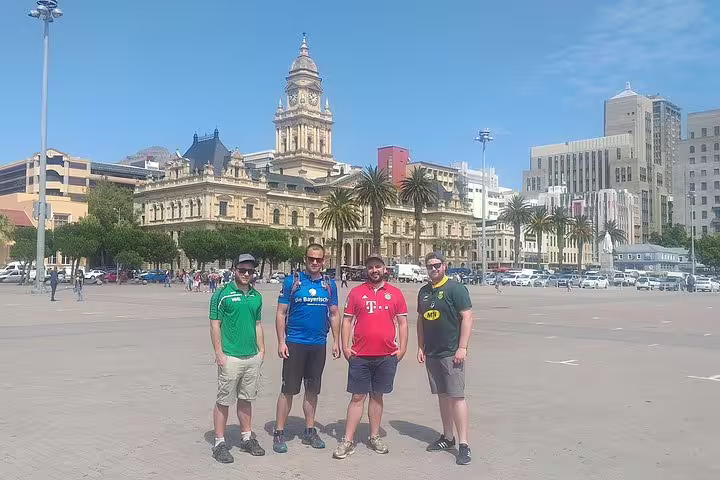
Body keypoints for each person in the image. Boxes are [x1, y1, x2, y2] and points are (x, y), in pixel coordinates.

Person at [333, 254, 408, 459]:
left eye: (378, 266)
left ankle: (374, 436)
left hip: (386, 355)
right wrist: (345, 347)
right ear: (367, 270)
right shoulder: (357, 293)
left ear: (385, 269)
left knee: (377, 396)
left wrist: (402, 348)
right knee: (357, 397)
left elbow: (402, 322)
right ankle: (348, 440)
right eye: (371, 267)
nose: (374, 270)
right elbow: (347, 321)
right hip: (360, 355)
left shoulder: (395, 294)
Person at [273, 243, 341, 454]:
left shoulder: (329, 284)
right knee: (288, 390)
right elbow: (281, 313)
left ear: (324, 261)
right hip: (295, 343)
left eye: (318, 259)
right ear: (305, 259)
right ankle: (279, 432)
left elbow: (334, 313)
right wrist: (281, 341)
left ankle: (310, 430)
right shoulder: (292, 282)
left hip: (318, 345)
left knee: (312, 390)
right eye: (311, 258)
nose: (314, 262)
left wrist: (336, 341)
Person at [417, 252, 474, 466]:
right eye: (430, 266)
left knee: (456, 396)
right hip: (432, 353)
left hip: (452, 352)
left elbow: (468, 316)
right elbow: (421, 320)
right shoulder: (423, 292)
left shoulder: (455, 289)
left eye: (437, 265)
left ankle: (464, 444)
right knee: (442, 395)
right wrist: (421, 347)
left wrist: (462, 347)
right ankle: (448, 437)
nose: (433, 269)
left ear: (445, 266)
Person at [209, 254, 266, 463]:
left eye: (250, 271)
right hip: (230, 357)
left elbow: (258, 324)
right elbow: (215, 324)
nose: (246, 274)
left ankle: (246, 437)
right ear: (234, 270)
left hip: (252, 357)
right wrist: (219, 353)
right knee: (224, 400)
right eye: (242, 270)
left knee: (246, 399)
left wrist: (262, 350)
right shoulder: (222, 295)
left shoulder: (256, 296)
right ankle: (219, 442)